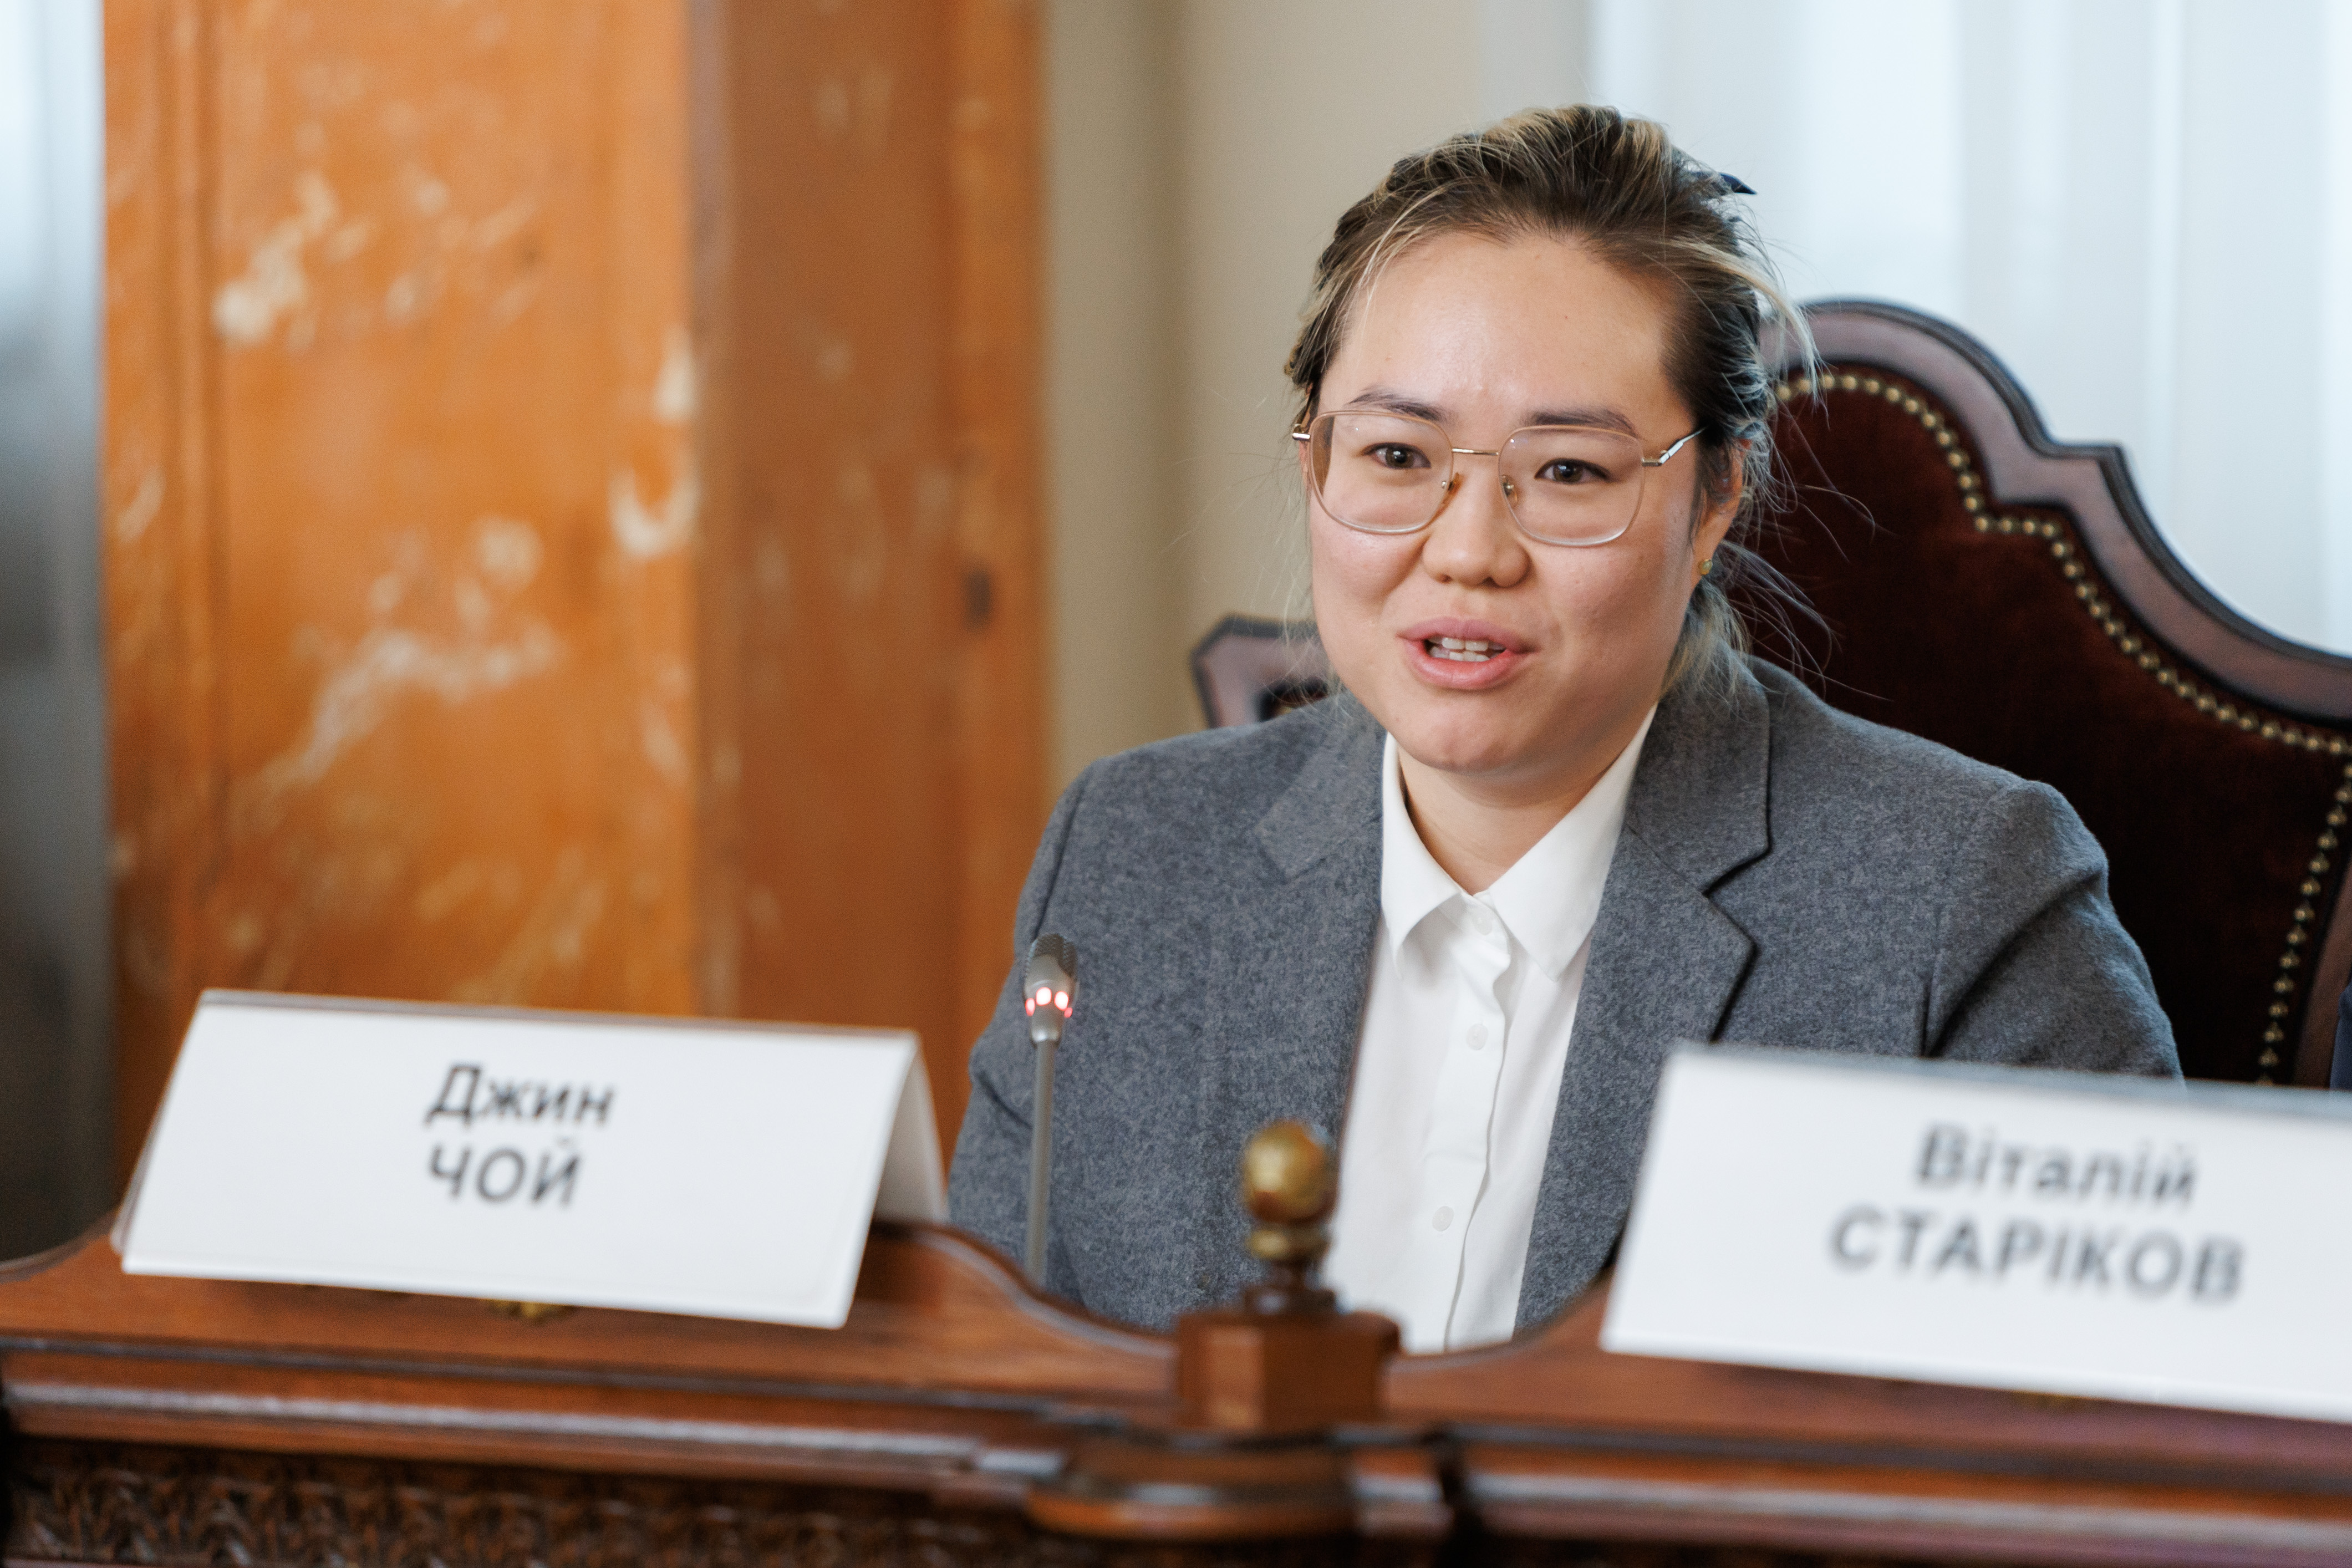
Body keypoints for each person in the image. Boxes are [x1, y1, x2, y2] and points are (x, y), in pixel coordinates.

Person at [949, 106, 2180, 1350]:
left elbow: (2107, 1423)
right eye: (1396, 454)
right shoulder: (1129, 852)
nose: (1468, 552)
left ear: (1714, 499)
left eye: (1570, 472)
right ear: (1315, 461)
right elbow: (983, 1382)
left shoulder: (1960, 903)